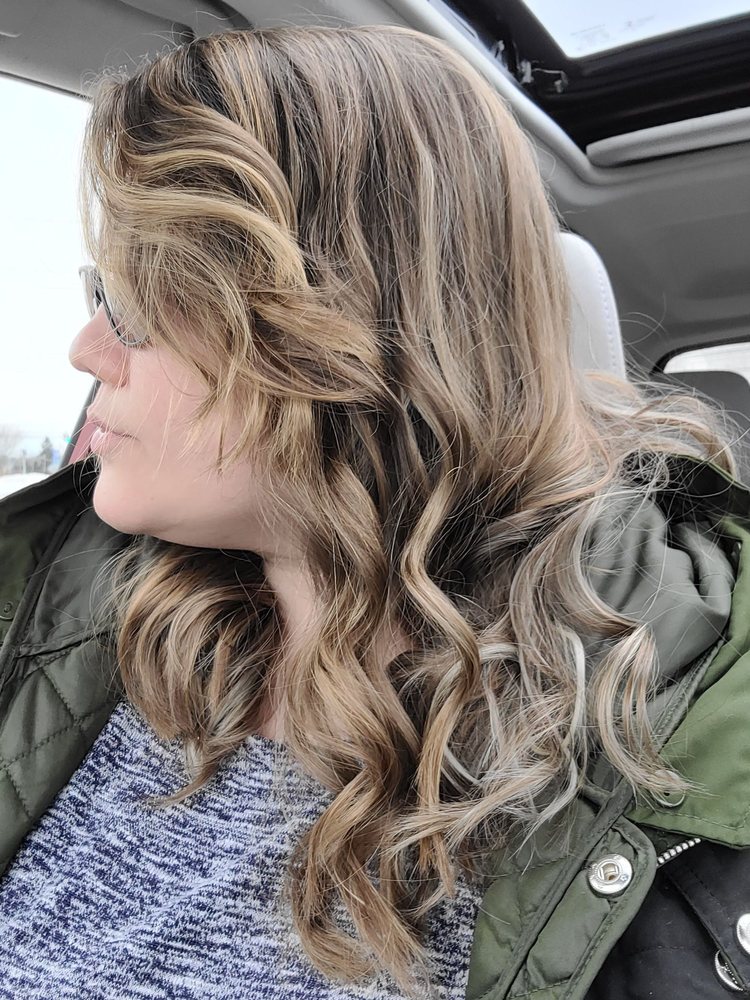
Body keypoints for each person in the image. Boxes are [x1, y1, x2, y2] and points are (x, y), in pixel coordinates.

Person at [0, 24, 748, 1000]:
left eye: (138, 302)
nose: (87, 350)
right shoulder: (66, 618)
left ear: (335, 329)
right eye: (103, 289)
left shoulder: (652, 739)